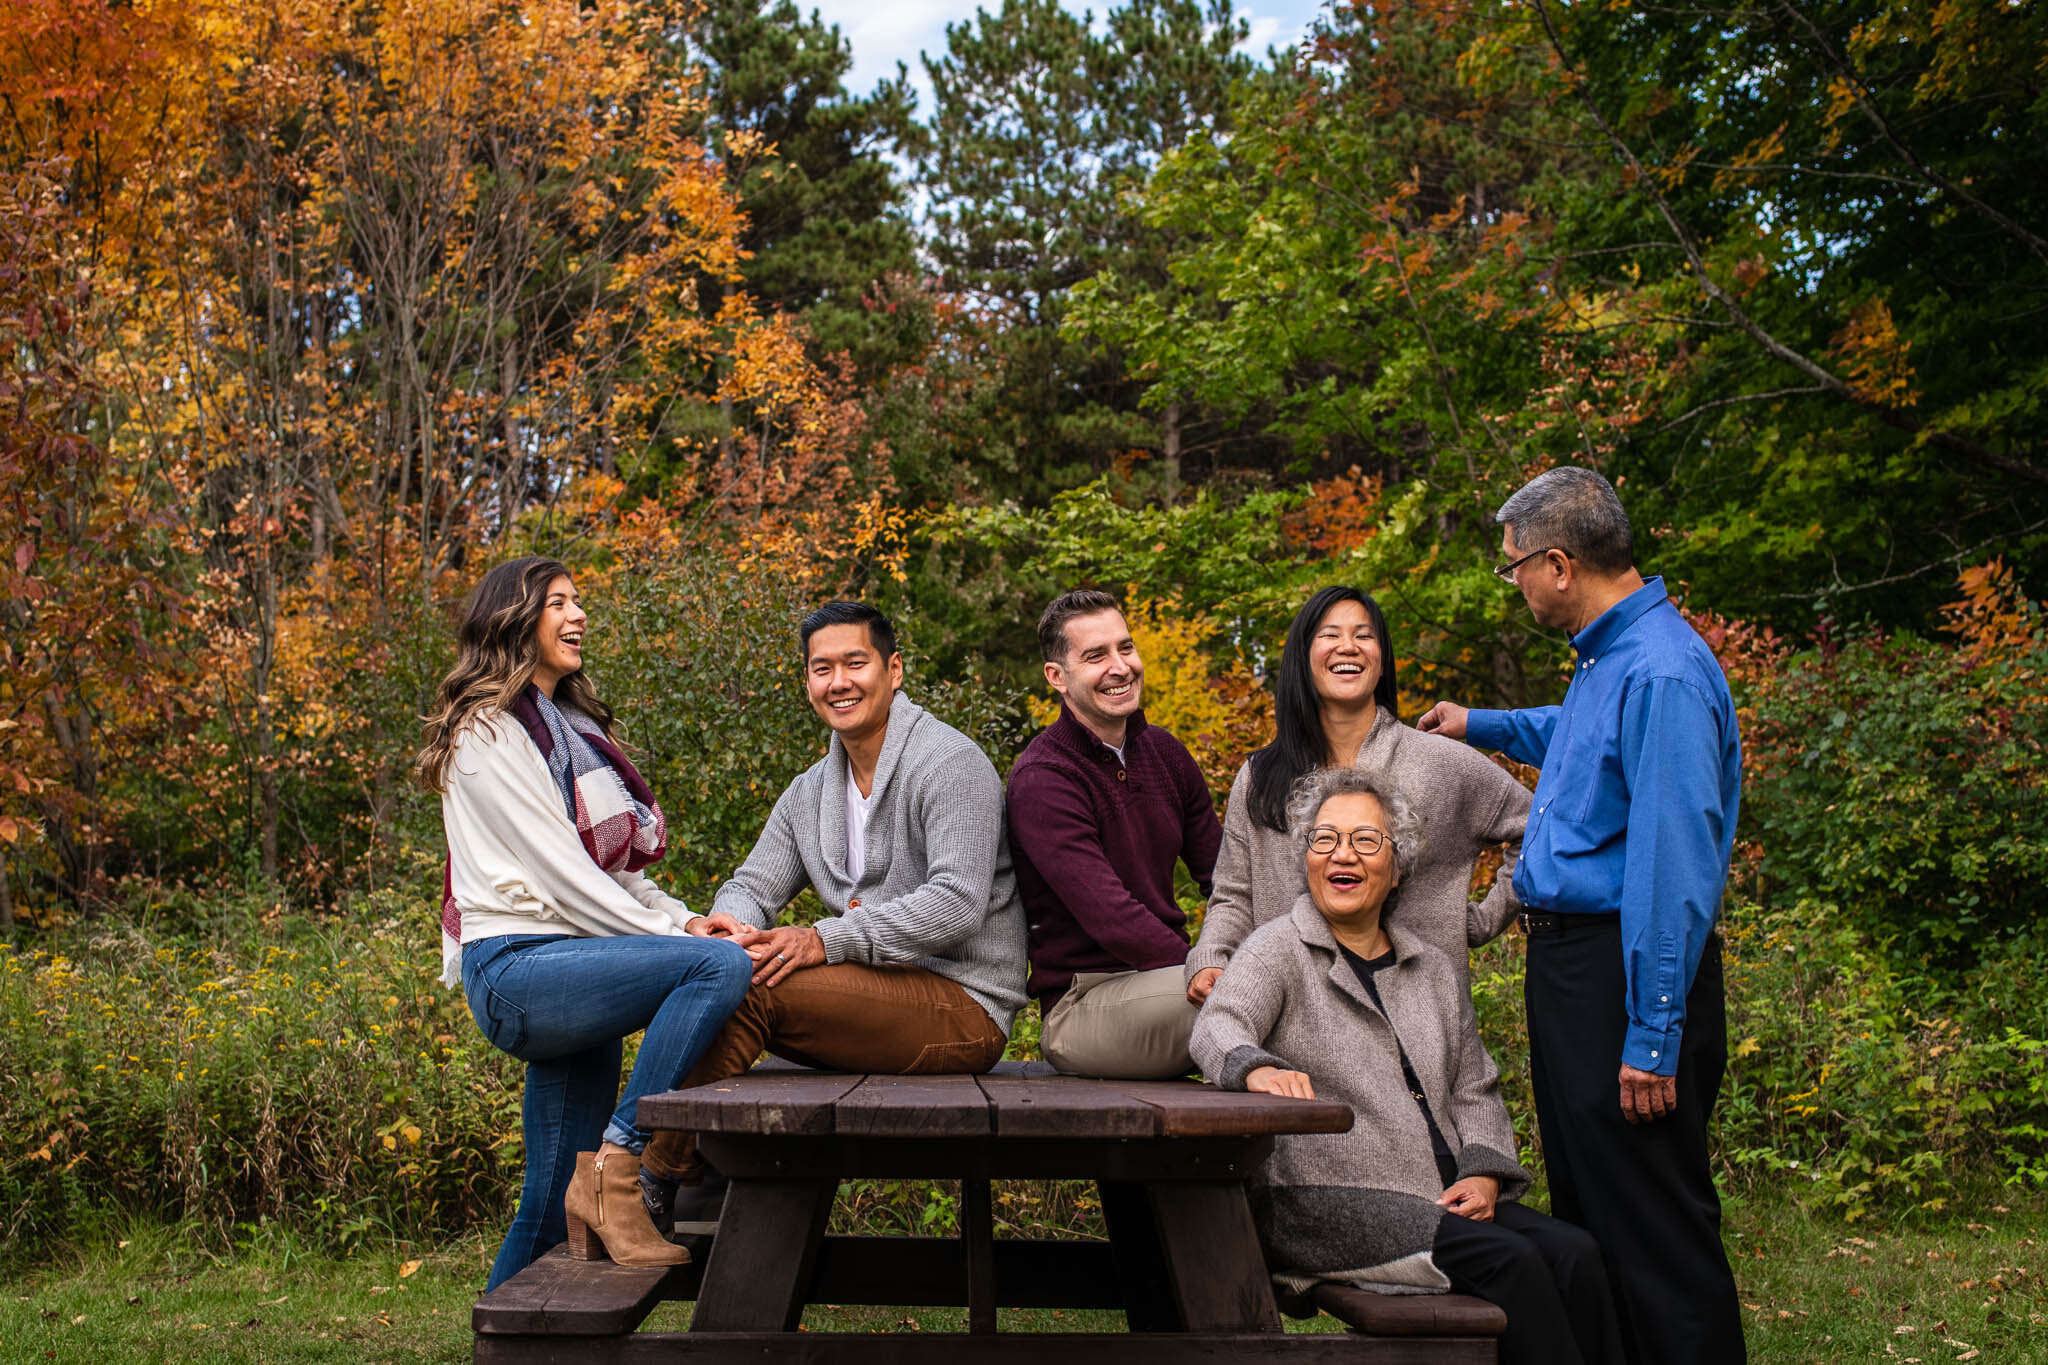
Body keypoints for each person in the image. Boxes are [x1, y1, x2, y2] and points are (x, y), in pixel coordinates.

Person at [1417, 465, 1746, 1364]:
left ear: (1559, 563)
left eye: (1513, 565)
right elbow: (1576, 731)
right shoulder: (1613, 659)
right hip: (1574, 973)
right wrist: (1480, 722)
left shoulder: (1665, 672)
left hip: (1621, 978)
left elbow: (1671, 875)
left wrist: (1653, 1032)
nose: (1514, 582)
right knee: (1597, 1213)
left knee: (1655, 1228)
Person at [1190, 768, 1623, 1365]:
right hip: (1329, 1200)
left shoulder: (1433, 971)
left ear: (1397, 868)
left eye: (1367, 841)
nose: (1344, 855)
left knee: (1576, 1253)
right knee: (1511, 1261)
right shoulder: (1278, 948)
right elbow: (1217, 1024)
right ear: (1307, 857)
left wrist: (1486, 1172)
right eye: (1326, 839)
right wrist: (1252, 1067)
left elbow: (1476, 1087)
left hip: (1444, 1197)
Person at [418, 557, 754, 1290]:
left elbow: (612, 875)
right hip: (516, 968)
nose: (579, 616)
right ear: (515, 617)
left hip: (574, 966)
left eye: (579, 602)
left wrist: (687, 919)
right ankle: (620, 1165)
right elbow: (562, 879)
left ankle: (508, 1335)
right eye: (559, 603)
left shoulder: (568, 728)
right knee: (722, 969)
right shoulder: (486, 733)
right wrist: (681, 947)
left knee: (547, 1204)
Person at [636, 601, 1028, 1205]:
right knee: (721, 969)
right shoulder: (811, 792)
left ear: (893, 670)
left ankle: (650, 1180)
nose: (838, 682)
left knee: (751, 986)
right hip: (871, 996)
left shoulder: (949, 763)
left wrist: (822, 938)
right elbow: (753, 883)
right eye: (822, 668)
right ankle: (703, 1189)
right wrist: (729, 927)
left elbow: (957, 904)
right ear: (808, 683)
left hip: (964, 1006)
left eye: (855, 663)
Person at [1186, 586, 1529, 1005]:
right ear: (1303, 658)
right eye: (1330, 635)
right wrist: (1210, 958)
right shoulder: (1260, 777)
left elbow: (1535, 826)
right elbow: (1234, 894)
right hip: (1291, 1020)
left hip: (1415, 1020)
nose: (1348, 646)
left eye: (1364, 636)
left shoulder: (1442, 764)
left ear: (1382, 661)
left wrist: (1475, 921)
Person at [1005, 589, 1222, 1078]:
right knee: (1250, 996)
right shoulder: (1044, 778)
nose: (1120, 666)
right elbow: (1112, 919)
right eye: (1095, 655)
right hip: (1085, 1004)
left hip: (1167, 982)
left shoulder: (1165, 755)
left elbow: (1226, 877)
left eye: (1125, 648)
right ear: (1056, 677)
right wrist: (1205, 969)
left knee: (1296, 978)